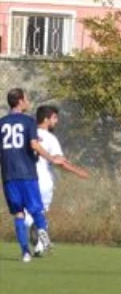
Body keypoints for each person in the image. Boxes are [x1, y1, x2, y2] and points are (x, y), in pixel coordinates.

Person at [1, 89, 61, 262]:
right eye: (26, 99)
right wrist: (50, 158)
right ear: (20, 101)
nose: (28, 102)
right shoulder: (28, 121)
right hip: (27, 173)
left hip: (9, 175)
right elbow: (34, 144)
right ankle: (43, 232)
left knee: (19, 214)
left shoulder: (2, 122)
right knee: (37, 209)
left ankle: (25, 253)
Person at [25, 105, 89, 255]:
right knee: (40, 213)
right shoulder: (50, 138)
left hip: (26, 179)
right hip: (44, 180)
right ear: (46, 119)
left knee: (26, 213)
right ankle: (39, 243)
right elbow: (59, 162)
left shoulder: (28, 134)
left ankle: (37, 242)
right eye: (54, 118)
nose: (56, 121)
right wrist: (78, 171)